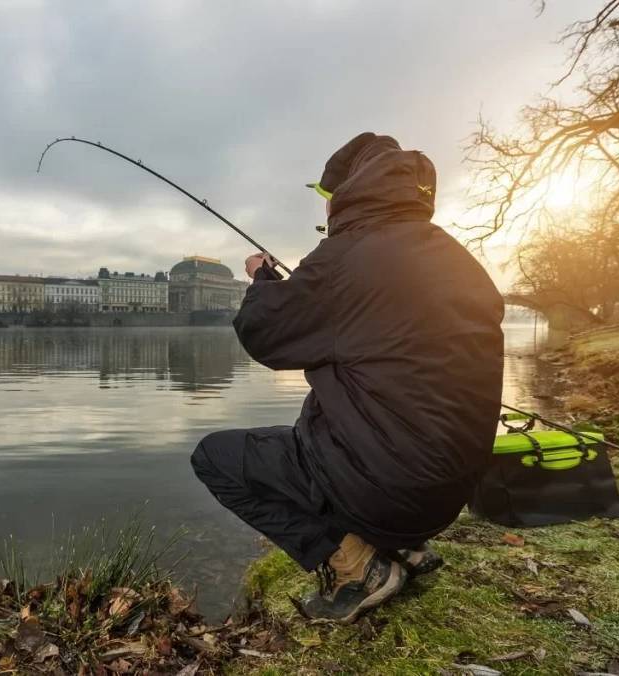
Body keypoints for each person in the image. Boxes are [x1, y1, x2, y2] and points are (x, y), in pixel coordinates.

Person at [190, 132, 504, 622]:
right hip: (449, 495)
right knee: (343, 413)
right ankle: (405, 548)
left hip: (392, 492)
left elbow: (265, 336)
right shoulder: (457, 260)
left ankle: (357, 565)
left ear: (350, 190)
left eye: (330, 196)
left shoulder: (346, 256)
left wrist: (260, 279)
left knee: (216, 458)